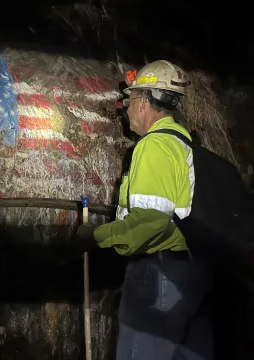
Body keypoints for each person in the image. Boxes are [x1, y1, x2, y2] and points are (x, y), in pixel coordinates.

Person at [76, 60, 214, 360]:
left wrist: (94, 235)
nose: (126, 108)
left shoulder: (154, 146)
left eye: (130, 99)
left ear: (143, 102)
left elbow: (151, 224)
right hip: (190, 273)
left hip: (159, 275)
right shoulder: (184, 142)